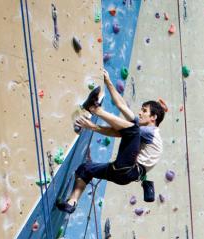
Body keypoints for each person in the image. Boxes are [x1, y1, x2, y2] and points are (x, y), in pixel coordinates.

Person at [57, 69, 165, 213]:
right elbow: (122, 107)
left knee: (132, 130)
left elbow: (122, 131)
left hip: (129, 169)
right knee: (85, 169)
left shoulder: (150, 132)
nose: (140, 112)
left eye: (144, 111)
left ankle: (94, 108)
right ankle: (72, 202)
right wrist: (108, 81)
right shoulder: (140, 130)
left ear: (154, 117)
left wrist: (94, 124)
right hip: (122, 174)